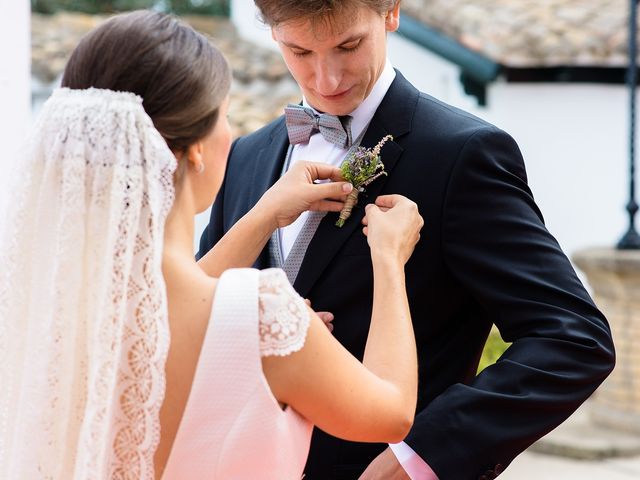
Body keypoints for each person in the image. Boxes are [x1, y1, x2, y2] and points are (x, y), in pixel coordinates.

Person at [197, 1, 617, 478]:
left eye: (348, 46)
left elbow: (574, 338)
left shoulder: (461, 153)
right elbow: (193, 317)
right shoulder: (247, 157)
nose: (327, 78)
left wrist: (420, 457)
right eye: (300, 51)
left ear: (391, 11)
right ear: (273, 34)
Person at [0, 10, 424, 480]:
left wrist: (263, 215)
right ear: (196, 149)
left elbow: (174, 301)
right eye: (223, 117)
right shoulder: (265, 317)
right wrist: (388, 258)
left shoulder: (48, 311)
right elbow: (392, 410)